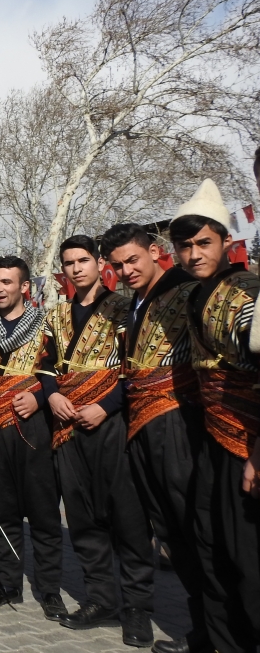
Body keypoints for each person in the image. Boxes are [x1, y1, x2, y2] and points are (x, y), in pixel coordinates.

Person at [101, 223, 208, 653]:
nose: (126, 270)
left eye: (133, 259)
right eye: (118, 264)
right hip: (142, 425)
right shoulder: (135, 303)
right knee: (170, 531)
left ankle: (219, 631)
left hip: (179, 422)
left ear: (156, 251)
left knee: (194, 528)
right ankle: (204, 628)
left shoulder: (187, 289)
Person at [43, 235, 155, 647]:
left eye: (83, 260)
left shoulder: (123, 310)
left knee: (127, 518)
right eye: (69, 262)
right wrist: (53, 393)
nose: (76, 268)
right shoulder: (56, 315)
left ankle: (139, 607)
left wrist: (106, 405)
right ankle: (100, 599)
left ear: (98, 263)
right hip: (67, 427)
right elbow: (45, 366)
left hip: (111, 424)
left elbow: (135, 370)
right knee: (83, 517)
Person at [171, 180, 260, 653]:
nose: (193, 254)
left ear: (227, 243)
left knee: (246, 558)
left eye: (204, 243)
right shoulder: (193, 296)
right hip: (209, 436)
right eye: (185, 246)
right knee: (209, 546)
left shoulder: (246, 294)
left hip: (246, 440)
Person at [0, 256, 66, 620]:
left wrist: (39, 396)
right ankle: (8, 583)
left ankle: (50, 589)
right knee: (2, 510)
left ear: (25, 286)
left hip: (34, 426)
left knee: (42, 511)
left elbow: (58, 372)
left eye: (6, 282)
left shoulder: (46, 325)